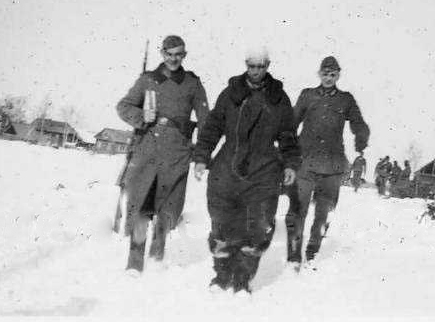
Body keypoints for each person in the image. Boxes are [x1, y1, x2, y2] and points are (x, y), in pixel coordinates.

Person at [193, 47, 301, 293]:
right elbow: (212, 127)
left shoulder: (279, 98)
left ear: (267, 66)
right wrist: (201, 157)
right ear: (246, 65)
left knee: (259, 226)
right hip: (227, 168)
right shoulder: (230, 93)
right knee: (222, 223)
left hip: (264, 169)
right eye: (252, 66)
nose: (256, 71)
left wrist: (290, 164)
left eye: (261, 66)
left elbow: (287, 135)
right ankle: (222, 276)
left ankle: (243, 278)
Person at [116, 35, 209, 274]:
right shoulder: (147, 80)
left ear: (184, 55)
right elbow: (123, 106)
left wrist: (201, 155)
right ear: (162, 54)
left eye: (178, 54)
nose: (173, 59)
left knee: (167, 210)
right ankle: (134, 263)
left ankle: (157, 258)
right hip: (147, 150)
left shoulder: (192, 83)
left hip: (177, 154)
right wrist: (141, 117)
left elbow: (205, 121)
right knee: (141, 207)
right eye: (169, 54)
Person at [285, 56, 370, 266]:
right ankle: (294, 254)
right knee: (298, 210)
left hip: (332, 165)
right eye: (325, 74)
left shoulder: (345, 100)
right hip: (305, 162)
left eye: (333, 74)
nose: (328, 78)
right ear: (319, 74)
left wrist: (361, 137)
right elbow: (292, 122)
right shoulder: (308, 95)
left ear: (338, 76)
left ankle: (313, 251)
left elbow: (358, 123)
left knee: (324, 213)